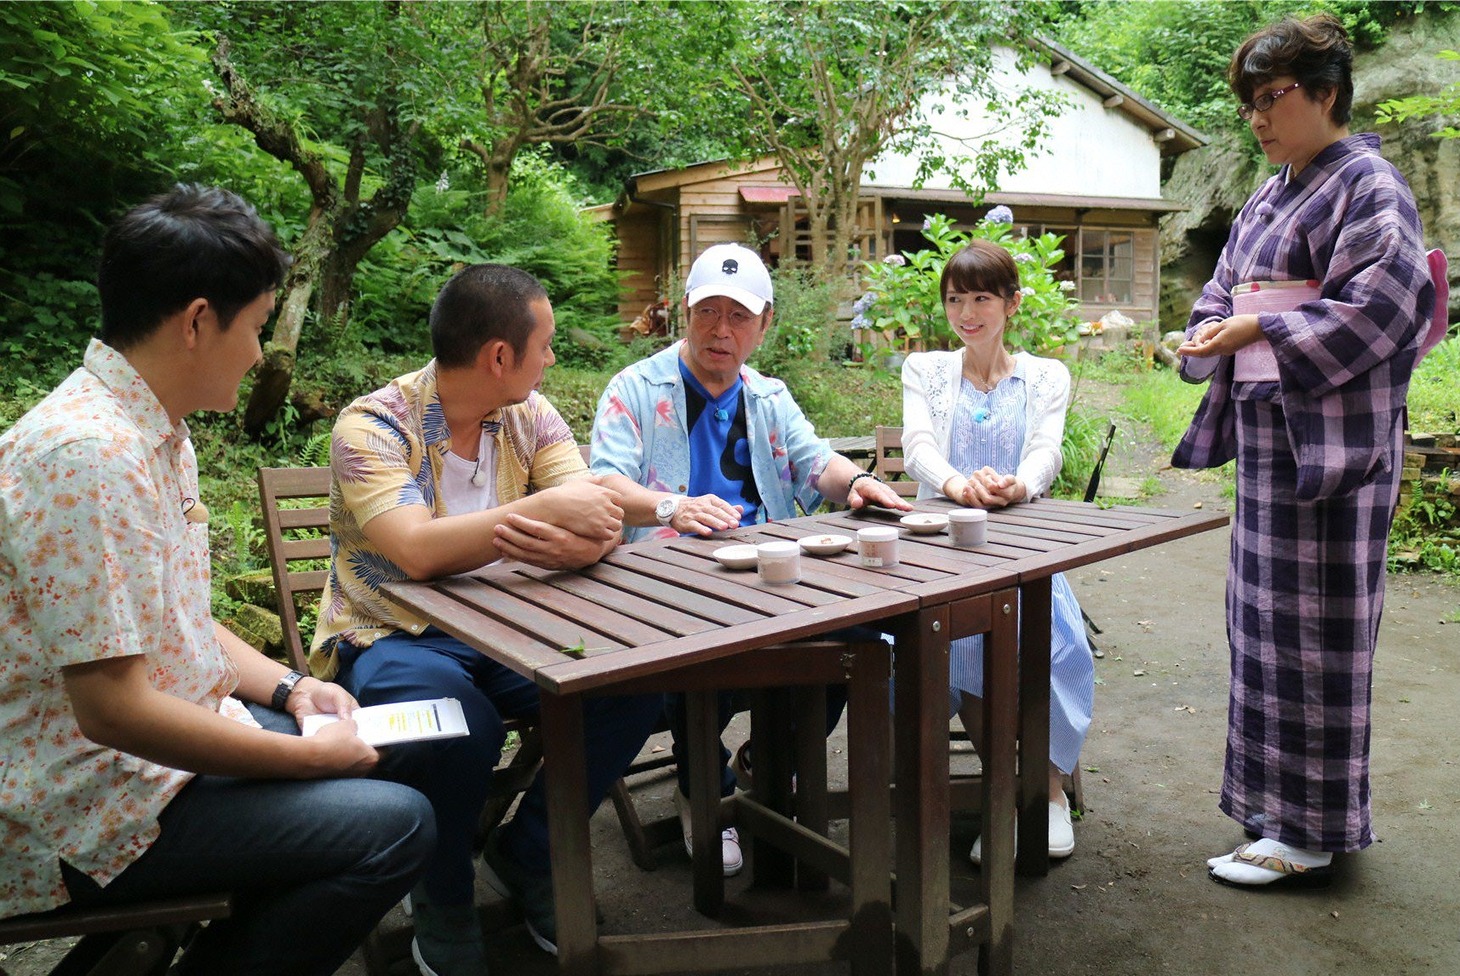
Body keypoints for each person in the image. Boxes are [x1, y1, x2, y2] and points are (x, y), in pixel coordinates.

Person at [0, 185, 435, 976]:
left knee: (390, 753)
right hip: (87, 803)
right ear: (199, 321)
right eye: (259, 326)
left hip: (154, 767)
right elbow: (110, 711)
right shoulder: (88, 456)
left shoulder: (154, 431)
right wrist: (307, 759)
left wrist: (294, 693)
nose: (261, 352)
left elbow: (178, 619)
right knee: (397, 823)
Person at [309, 263, 662, 974]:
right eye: (547, 344)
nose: (554, 358)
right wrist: (540, 516)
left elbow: (598, 516)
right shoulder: (372, 424)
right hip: (388, 633)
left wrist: (579, 526)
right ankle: (441, 893)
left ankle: (528, 852)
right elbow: (413, 550)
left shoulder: (529, 415)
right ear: (500, 356)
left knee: (633, 684)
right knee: (454, 722)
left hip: (511, 629)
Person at [1172, 14, 1434, 889]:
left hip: (1335, 451)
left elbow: (1384, 309)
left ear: (1326, 93)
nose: (1256, 117)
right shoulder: (1271, 190)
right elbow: (1221, 291)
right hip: (1269, 441)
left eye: (1271, 97)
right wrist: (1208, 328)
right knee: (1261, 629)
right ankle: (1272, 811)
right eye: (1248, 102)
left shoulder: (1370, 185)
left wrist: (1256, 323)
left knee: (1321, 634)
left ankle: (1314, 831)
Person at [589, 242, 912, 876]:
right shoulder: (635, 389)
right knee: (688, 651)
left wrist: (855, 485)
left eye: (739, 316)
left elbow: (815, 460)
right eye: (708, 310)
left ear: (764, 325)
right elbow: (605, 484)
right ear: (683, 311)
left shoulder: (767, 396)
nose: (721, 330)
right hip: (668, 582)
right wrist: (669, 508)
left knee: (855, 632)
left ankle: (766, 762)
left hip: (766, 574)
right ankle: (702, 786)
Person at [900, 238, 1094, 864]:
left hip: (1024, 549)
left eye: (982, 297)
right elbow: (918, 446)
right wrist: (959, 485)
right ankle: (1010, 793)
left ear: (1011, 303)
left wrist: (1019, 484)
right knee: (965, 644)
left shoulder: (1046, 376)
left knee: (1052, 642)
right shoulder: (925, 371)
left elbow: (1046, 449)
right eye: (956, 299)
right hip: (949, 552)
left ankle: (1052, 793)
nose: (967, 312)